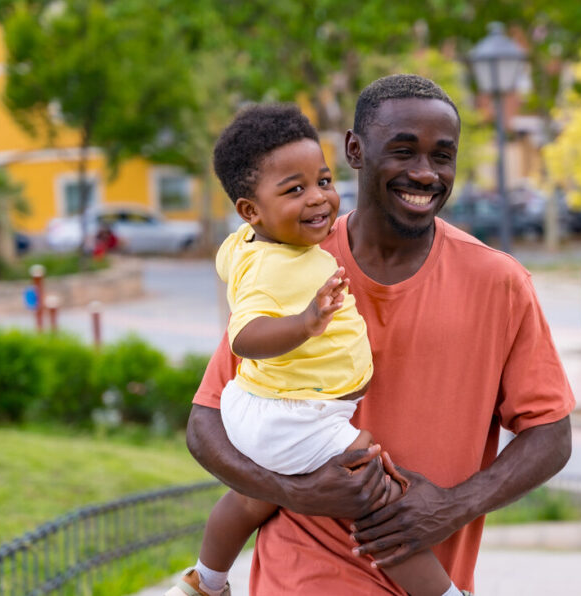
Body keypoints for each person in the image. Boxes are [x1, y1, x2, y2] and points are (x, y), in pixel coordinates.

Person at [187, 74, 575, 594]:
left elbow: (551, 434)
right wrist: (295, 492)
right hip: (298, 577)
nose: (425, 173)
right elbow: (205, 425)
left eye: (443, 156)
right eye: (403, 151)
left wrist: (452, 507)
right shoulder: (292, 265)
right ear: (355, 150)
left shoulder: (499, 282)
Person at [168, 104, 457, 596]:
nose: (319, 199)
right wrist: (305, 323)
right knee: (376, 489)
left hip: (263, 405)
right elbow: (244, 335)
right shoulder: (274, 269)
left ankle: (205, 581)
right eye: (294, 190)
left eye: (323, 180)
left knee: (247, 500)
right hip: (293, 414)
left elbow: (236, 255)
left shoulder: (250, 244)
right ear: (250, 210)